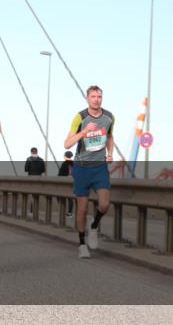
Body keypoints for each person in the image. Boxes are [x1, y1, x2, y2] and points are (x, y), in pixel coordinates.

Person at [63, 85, 115, 259]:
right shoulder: (80, 117)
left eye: (99, 96)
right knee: (82, 209)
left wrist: (110, 153)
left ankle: (94, 225)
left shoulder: (109, 117)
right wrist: (84, 132)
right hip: (82, 167)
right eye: (93, 96)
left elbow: (109, 136)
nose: (96, 99)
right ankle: (82, 244)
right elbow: (67, 144)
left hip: (100, 167)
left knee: (105, 204)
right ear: (87, 98)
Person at [58, 150, 75, 215]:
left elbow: (60, 174)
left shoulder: (64, 164)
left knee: (62, 197)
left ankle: (63, 210)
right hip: (72, 183)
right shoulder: (74, 164)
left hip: (65, 183)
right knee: (70, 198)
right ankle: (70, 212)